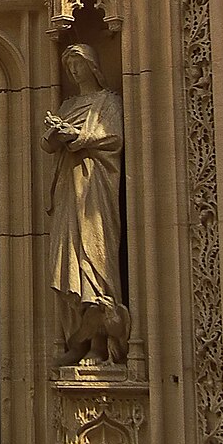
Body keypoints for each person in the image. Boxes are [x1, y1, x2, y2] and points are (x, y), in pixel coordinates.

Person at [42, 42, 131, 365]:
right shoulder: (68, 105)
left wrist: (77, 136)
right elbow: (48, 145)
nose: (74, 71)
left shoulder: (107, 102)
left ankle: (99, 343)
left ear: (92, 66)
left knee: (94, 257)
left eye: (78, 63)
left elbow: (113, 138)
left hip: (94, 189)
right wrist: (56, 133)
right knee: (68, 261)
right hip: (69, 188)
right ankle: (75, 340)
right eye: (69, 66)